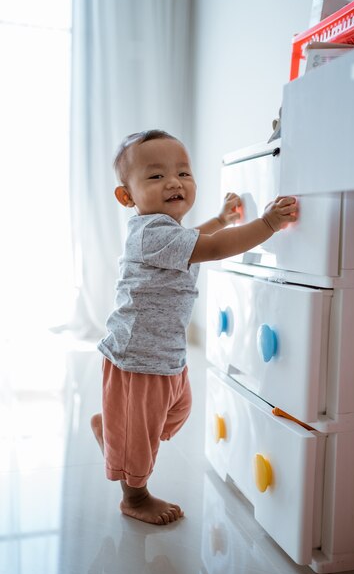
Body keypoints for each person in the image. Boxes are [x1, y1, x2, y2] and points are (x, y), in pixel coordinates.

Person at [91, 129, 298, 526]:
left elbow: (195, 238)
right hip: (139, 357)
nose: (174, 182)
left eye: (183, 172)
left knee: (176, 411)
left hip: (163, 352)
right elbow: (213, 248)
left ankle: (115, 432)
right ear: (127, 196)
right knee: (143, 439)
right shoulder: (151, 232)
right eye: (155, 176)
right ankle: (134, 496)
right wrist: (267, 223)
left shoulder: (168, 233)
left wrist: (220, 219)